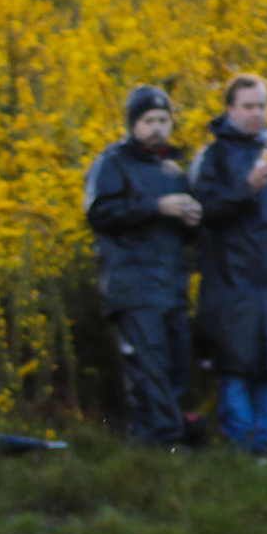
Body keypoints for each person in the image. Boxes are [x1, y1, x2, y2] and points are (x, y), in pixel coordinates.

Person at [188, 74, 267, 456]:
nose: (258, 114)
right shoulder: (214, 156)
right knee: (236, 365)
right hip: (230, 280)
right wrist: (248, 188)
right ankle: (242, 448)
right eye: (249, 106)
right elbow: (205, 211)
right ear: (230, 109)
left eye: (263, 106)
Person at [84, 83, 200, 447]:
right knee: (150, 367)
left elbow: (180, 237)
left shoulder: (172, 170)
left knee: (175, 365)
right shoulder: (112, 163)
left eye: (163, 120)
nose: (157, 128)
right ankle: (167, 443)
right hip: (132, 284)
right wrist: (156, 207)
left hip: (170, 284)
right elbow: (100, 212)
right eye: (149, 120)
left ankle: (150, 442)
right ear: (133, 124)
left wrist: (191, 220)